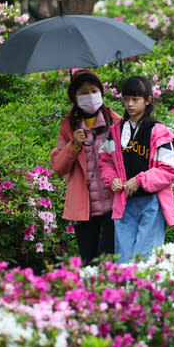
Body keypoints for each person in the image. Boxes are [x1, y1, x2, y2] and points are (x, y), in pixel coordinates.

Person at [98, 76, 174, 262]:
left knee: (145, 260)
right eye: (126, 99)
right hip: (124, 202)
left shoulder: (158, 131)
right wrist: (112, 179)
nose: (130, 104)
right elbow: (104, 162)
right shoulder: (115, 132)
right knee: (123, 259)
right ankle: (125, 292)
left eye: (135, 99)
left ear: (148, 100)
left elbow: (169, 169)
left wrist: (139, 180)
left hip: (151, 202)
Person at [50, 69, 122, 264]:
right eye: (83, 92)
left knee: (109, 260)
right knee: (88, 262)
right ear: (74, 97)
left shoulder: (115, 122)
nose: (90, 96)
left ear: (101, 92)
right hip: (84, 207)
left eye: (93, 90)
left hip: (112, 203)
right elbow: (58, 166)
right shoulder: (67, 126)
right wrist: (73, 145)